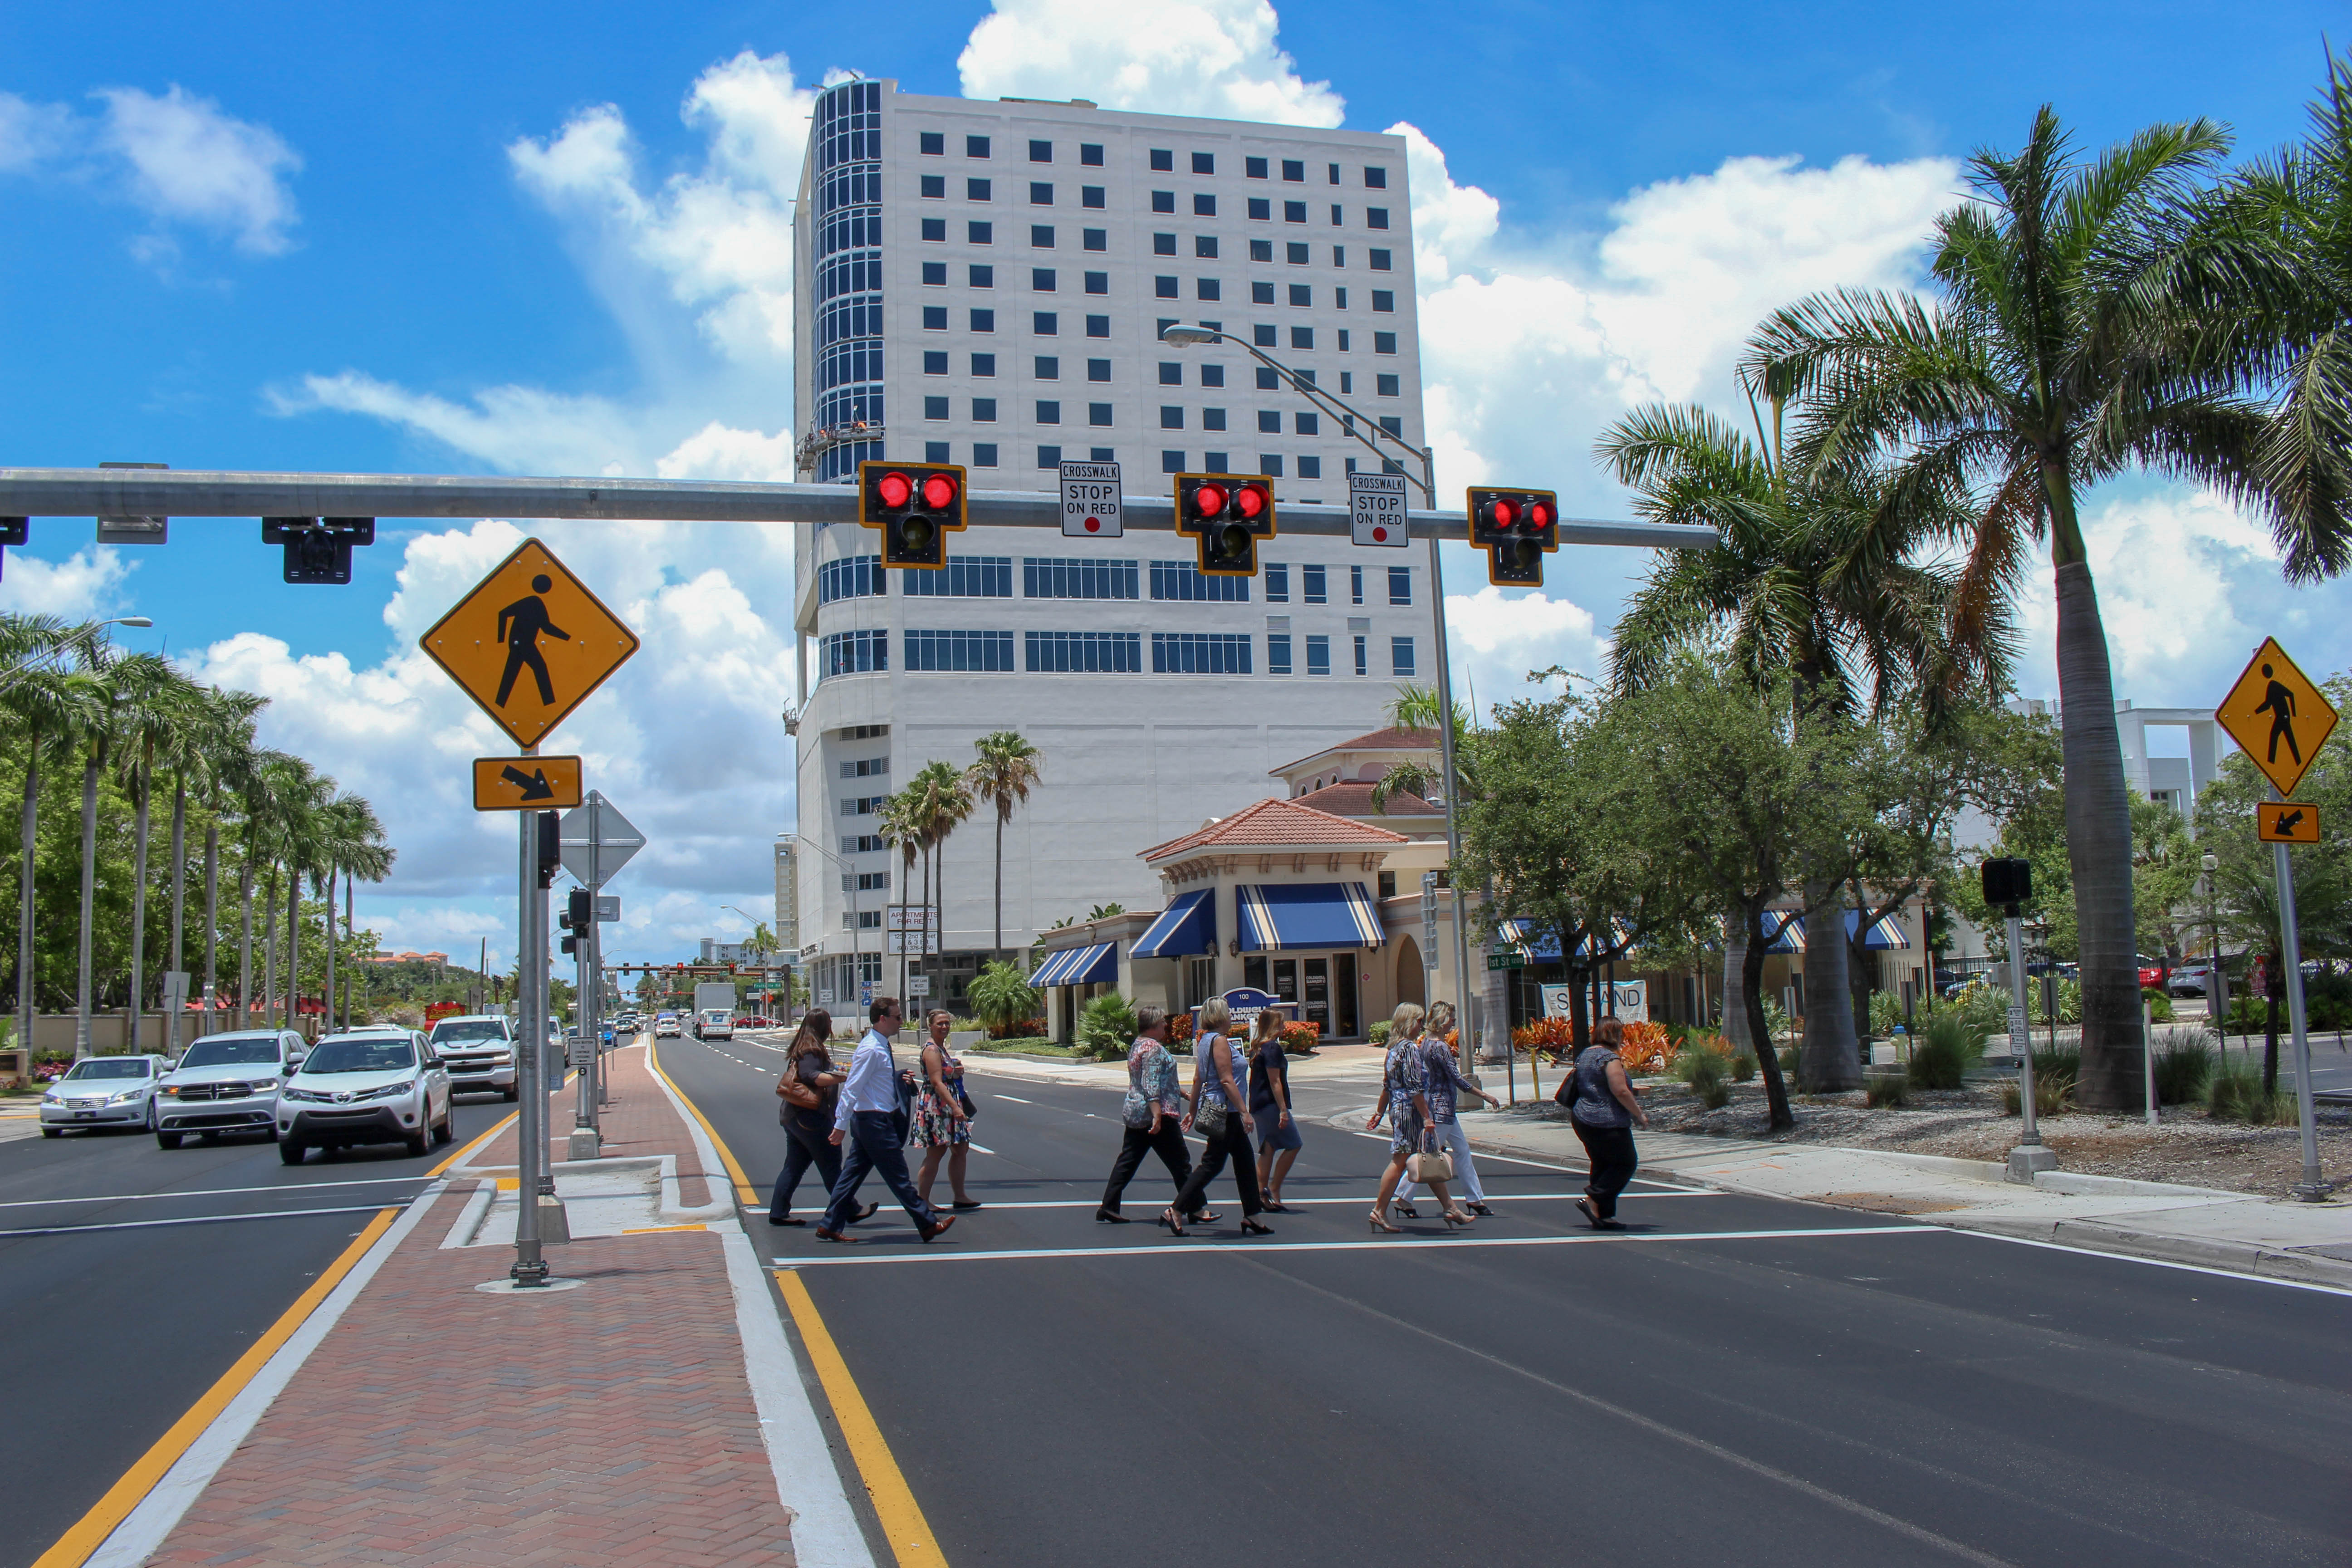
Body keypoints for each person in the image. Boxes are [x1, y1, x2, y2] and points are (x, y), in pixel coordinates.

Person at [816, 997, 956, 1245]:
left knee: (851, 1176)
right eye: (898, 1017)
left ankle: (830, 1225)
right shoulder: (871, 1048)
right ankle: (927, 1224)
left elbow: (874, 1081)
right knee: (898, 1176)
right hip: (873, 1121)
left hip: (874, 1119)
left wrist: (898, 1079)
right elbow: (852, 1087)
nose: (901, 1022)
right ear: (883, 1019)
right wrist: (840, 1125)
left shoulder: (880, 1045)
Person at [1164, 998, 1273, 1237]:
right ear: (1222, 1017)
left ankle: (1253, 1216)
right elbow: (1226, 1080)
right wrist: (1245, 1112)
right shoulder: (1220, 1041)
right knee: (1211, 1164)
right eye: (1228, 1013)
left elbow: (1197, 1080)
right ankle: (1176, 1209)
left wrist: (1193, 1111)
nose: (1231, 1017)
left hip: (1219, 1109)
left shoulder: (1204, 1041)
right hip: (1226, 1112)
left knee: (1244, 1162)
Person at [1366, 1002, 1471, 1231]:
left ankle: (1451, 1208)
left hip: (1399, 1109)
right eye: (1419, 1021)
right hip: (1411, 1111)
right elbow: (1415, 1088)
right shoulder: (1410, 1049)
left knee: (1429, 1157)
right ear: (1408, 1023)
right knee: (1401, 1160)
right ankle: (1379, 1211)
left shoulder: (1393, 1049)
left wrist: (1379, 1113)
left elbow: (1388, 1086)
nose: (1422, 1026)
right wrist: (1427, 1117)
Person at [1393, 1000, 1499, 1218]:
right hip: (1441, 1109)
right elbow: (1457, 1078)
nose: (1453, 1023)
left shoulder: (1424, 1045)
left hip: (1443, 1108)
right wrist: (1485, 1095)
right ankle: (1404, 1197)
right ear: (1442, 1020)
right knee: (1428, 1156)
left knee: (1461, 1151)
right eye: (1452, 1019)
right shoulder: (1440, 1047)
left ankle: (1475, 1199)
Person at [1098, 1005, 1194, 1222]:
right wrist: (1157, 1115)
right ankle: (1196, 1207)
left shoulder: (1138, 1045)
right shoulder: (1152, 1048)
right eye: (1162, 1022)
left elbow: (1153, 1079)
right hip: (1157, 1114)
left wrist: (1182, 1094)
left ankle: (1109, 1206)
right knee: (1181, 1162)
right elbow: (1151, 1084)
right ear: (1153, 1026)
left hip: (1137, 1112)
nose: (1165, 1025)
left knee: (1128, 1161)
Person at [768, 1009, 862, 1226]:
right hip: (809, 1118)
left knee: (794, 1166)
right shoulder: (810, 1049)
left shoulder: (806, 1046)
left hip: (795, 1118)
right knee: (831, 1166)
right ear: (821, 1026)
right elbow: (812, 1077)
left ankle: (779, 1211)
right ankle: (851, 1209)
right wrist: (839, 1078)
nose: (831, 1027)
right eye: (828, 1023)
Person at [1568, 1016, 1647, 1230]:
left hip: (1583, 1117)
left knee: (1603, 1165)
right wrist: (1638, 1114)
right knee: (1626, 1163)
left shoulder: (1586, 1055)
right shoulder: (1609, 1058)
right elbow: (1620, 1090)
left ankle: (1604, 1216)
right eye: (1621, 1033)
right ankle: (1593, 1200)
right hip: (1606, 1121)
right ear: (1615, 1035)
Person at [912, 1009, 982, 1210]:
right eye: (940, 1024)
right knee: (937, 1151)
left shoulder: (941, 1048)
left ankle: (960, 1196)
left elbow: (945, 1076)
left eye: (947, 1023)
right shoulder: (932, 1050)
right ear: (931, 1027)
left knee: (961, 1148)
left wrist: (954, 1070)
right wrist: (955, 1108)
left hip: (950, 1102)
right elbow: (936, 1082)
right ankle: (923, 1200)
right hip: (938, 1106)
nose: (944, 1027)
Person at [1248, 1010, 1302, 1211]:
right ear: (1272, 1026)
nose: (1284, 1028)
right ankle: (1274, 1188)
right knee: (1294, 1144)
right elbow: (1275, 1080)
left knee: (1267, 1148)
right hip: (1270, 1104)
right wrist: (1283, 1110)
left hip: (1258, 1104)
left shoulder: (1258, 1048)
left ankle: (1261, 1193)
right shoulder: (1272, 1048)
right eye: (1281, 1024)